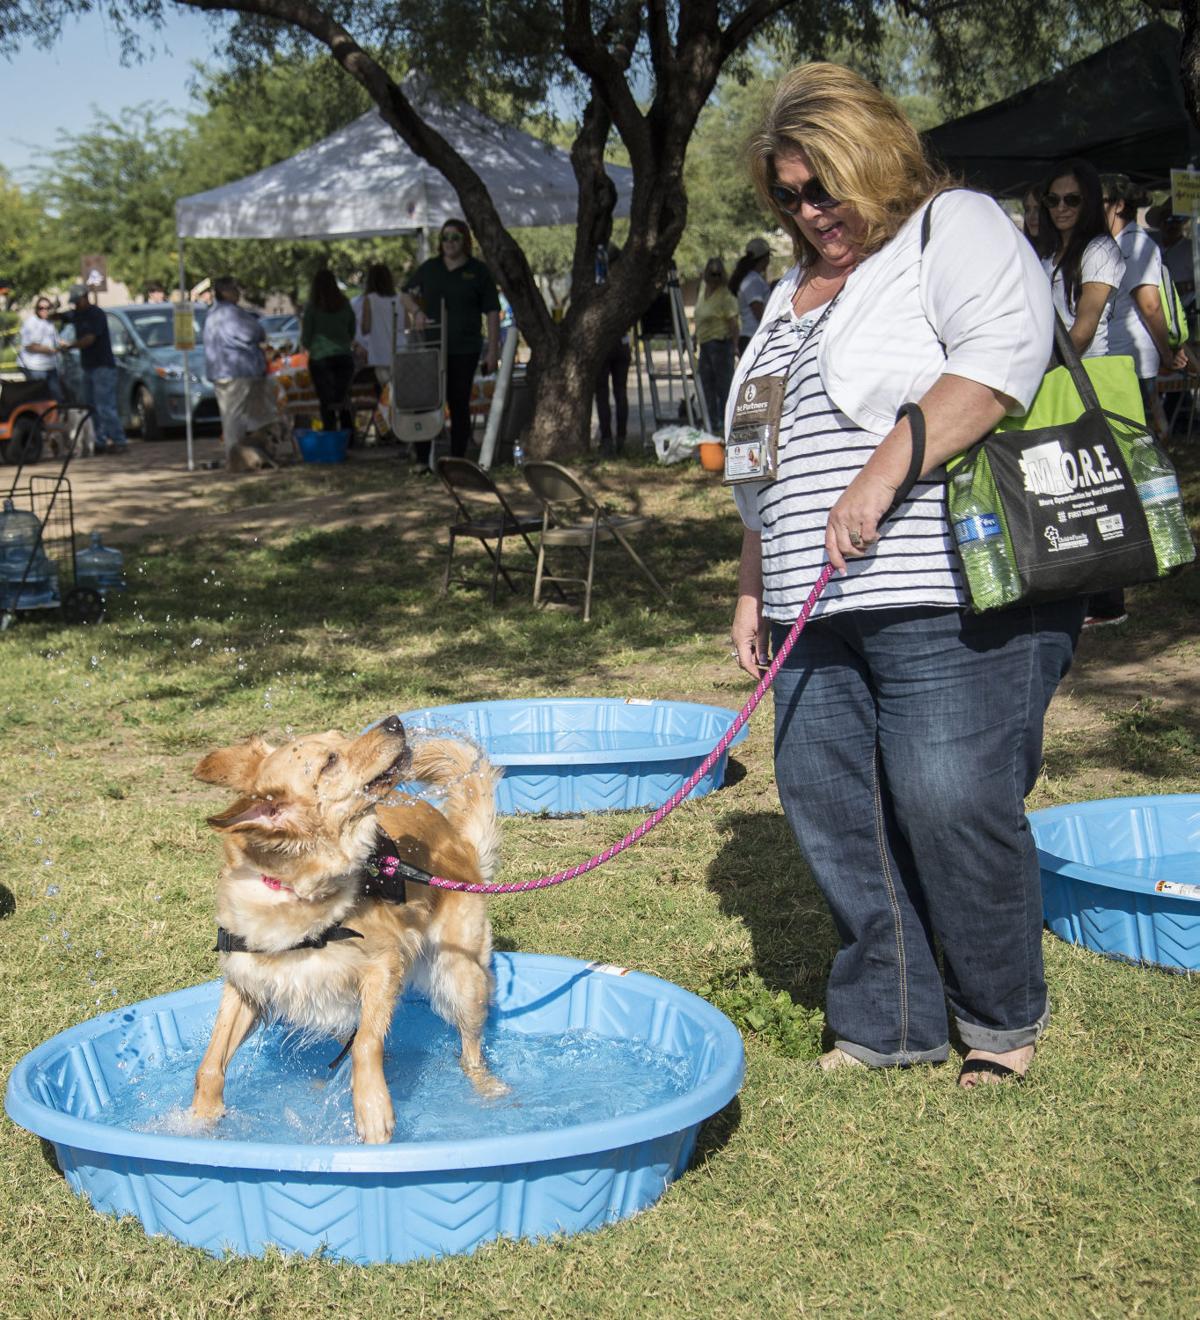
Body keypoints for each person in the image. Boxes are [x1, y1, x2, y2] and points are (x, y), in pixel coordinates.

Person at [728, 62, 1080, 1087]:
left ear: (872, 159)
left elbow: (1000, 360)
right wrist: (753, 577)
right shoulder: (789, 293)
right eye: (788, 195)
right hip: (810, 600)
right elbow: (763, 457)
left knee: (947, 797)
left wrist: (882, 476)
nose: (808, 211)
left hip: (939, 583)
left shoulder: (952, 226)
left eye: (821, 186)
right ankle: (889, 1020)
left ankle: (1000, 1019)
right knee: (834, 805)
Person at [406, 218, 501, 461]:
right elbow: (405, 294)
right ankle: (422, 459)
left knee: (458, 402)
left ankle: (457, 458)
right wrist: (416, 312)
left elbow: (492, 310)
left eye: (455, 237)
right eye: (445, 237)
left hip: (465, 347)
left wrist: (493, 349)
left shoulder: (478, 271)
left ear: (465, 240)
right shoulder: (430, 268)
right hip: (433, 347)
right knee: (426, 400)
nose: (449, 242)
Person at [1038, 159, 1124, 357]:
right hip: (1051, 368)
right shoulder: (1048, 252)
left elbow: (1084, 330)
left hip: (1082, 373)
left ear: (1089, 202)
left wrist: (1045, 367)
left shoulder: (1100, 249)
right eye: (1052, 200)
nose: (1061, 208)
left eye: (1072, 200)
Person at [202, 275, 276, 464]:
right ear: (225, 292)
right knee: (237, 418)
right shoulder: (231, 314)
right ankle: (238, 457)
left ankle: (241, 455)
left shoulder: (212, 314)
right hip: (237, 371)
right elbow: (253, 333)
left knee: (230, 416)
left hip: (221, 372)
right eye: (235, 289)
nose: (238, 293)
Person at [58, 284, 128, 454]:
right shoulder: (78, 314)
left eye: (77, 301)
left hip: (102, 366)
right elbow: (65, 316)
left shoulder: (96, 315)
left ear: (85, 297)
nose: (75, 305)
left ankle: (119, 440)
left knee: (105, 406)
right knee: (91, 406)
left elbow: (89, 339)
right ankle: (100, 440)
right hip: (88, 366)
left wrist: (70, 346)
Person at [301, 269, 357, 436]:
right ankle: (348, 435)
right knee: (343, 398)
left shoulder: (312, 308)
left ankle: (330, 435)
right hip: (344, 358)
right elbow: (352, 330)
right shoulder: (345, 304)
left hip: (320, 358)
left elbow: (306, 338)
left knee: (326, 401)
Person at [351, 263, 420, 394]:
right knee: (399, 395)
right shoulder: (400, 298)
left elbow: (366, 328)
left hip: (379, 355)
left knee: (383, 395)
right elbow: (407, 326)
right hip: (400, 352)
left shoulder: (369, 299)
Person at [693, 256, 738, 431]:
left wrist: (735, 347)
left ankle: (726, 424)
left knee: (723, 387)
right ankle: (711, 422)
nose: (715, 277)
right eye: (712, 274)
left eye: (718, 274)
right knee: (706, 386)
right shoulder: (702, 290)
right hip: (705, 345)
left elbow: (734, 324)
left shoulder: (725, 296)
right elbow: (699, 317)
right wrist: (694, 336)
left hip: (720, 345)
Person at [593, 244, 631, 455]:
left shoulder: (600, 285)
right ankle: (620, 438)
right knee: (619, 392)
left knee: (603, 393)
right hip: (622, 343)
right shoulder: (624, 286)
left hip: (605, 345)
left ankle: (608, 438)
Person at [729, 237, 771, 353]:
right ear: (765, 257)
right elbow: (758, 311)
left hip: (750, 337)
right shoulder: (753, 281)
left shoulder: (750, 278)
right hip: (754, 337)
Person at [18, 295, 63, 402]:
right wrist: (50, 350)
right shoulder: (31, 323)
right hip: (34, 367)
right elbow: (29, 345)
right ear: (36, 309)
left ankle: (57, 417)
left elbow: (55, 340)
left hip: (50, 366)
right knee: (40, 398)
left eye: (47, 308)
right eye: (41, 308)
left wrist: (65, 344)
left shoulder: (49, 322)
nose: (44, 310)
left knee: (56, 396)